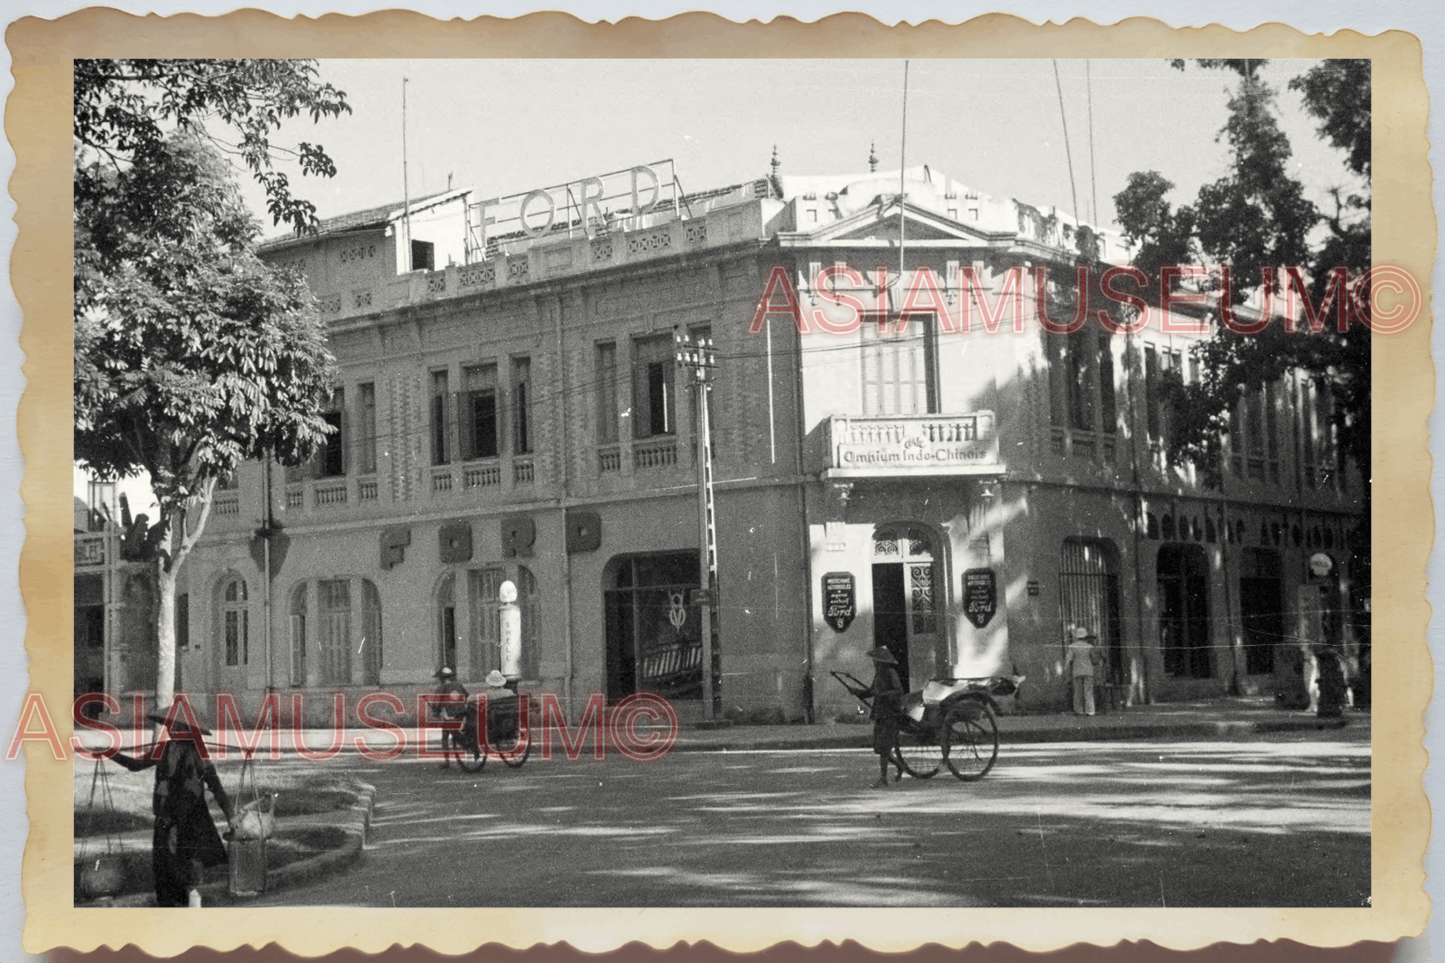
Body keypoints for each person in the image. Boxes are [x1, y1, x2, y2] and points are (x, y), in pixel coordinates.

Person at [108, 706, 233, 908]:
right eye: (169, 725)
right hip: (165, 823)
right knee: (164, 876)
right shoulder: (164, 748)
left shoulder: (198, 750)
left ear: (187, 728)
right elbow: (134, 764)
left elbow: (215, 784)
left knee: (189, 878)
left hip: (190, 823)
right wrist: (111, 753)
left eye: (175, 726)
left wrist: (231, 816)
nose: (169, 729)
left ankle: (191, 918)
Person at [866, 646, 905, 788]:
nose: (873, 663)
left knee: (884, 748)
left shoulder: (890, 672)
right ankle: (900, 766)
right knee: (880, 747)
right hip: (879, 713)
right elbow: (870, 691)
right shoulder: (878, 675)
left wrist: (884, 694)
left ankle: (883, 778)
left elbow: (898, 691)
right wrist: (857, 691)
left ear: (881, 661)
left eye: (875, 660)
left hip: (890, 713)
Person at [433, 667, 470, 769]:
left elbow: (436, 703)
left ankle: (447, 761)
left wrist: (436, 711)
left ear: (441, 678)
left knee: (445, 737)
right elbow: (467, 696)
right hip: (461, 714)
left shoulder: (441, 687)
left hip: (448, 716)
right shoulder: (459, 685)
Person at [1064, 626, 1099, 716]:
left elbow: (1069, 659)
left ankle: (1079, 710)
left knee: (1078, 692)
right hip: (1088, 671)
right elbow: (1094, 660)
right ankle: (1090, 711)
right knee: (1088, 691)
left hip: (1077, 671)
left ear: (1077, 636)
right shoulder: (1089, 646)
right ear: (1085, 636)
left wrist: (1068, 670)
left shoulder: (1072, 646)